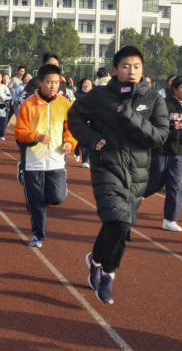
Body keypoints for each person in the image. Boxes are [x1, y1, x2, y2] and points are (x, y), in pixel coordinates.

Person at [68, 46, 168, 305]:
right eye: (125, 66)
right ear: (114, 70)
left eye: (136, 66)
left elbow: (159, 136)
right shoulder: (100, 96)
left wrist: (131, 115)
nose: (131, 71)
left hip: (138, 171)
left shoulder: (154, 100)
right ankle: (109, 274)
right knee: (120, 220)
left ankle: (95, 260)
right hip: (107, 166)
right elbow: (74, 116)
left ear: (142, 70)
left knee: (119, 227)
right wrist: (91, 139)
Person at [15, 64, 77, 248]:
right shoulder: (28, 105)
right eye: (49, 82)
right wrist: (36, 136)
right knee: (36, 202)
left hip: (56, 160)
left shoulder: (64, 104)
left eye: (56, 82)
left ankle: (48, 192)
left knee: (57, 198)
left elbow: (71, 128)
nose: (52, 86)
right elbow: (19, 132)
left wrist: (70, 142)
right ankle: (38, 235)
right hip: (33, 161)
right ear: (40, 83)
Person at [144, 75, 182, 232]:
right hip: (161, 150)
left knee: (175, 186)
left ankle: (170, 219)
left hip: (177, 152)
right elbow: (156, 124)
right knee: (155, 182)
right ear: (174, 89)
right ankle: (135, 195)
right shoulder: (164, 105)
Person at [73, 78, 93, 168]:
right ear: (81, 85)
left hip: (89, 121)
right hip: (79, 120)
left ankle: (85, 160)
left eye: (89, 84)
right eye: (85, 83)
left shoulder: (94, 96)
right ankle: (76, 152)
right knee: (78, 140)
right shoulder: (76, 95)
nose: (87, 85)